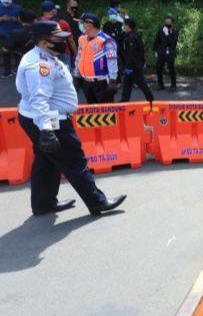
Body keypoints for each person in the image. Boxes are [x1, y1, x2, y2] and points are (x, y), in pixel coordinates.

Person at [15, 21, 126, 216]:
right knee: (74, 160)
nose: (64, 41)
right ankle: (97, 202)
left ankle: (43, 203)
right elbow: (39, 99)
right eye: (58, 38)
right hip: (50, 120)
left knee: (46, 160)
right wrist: (46, 131)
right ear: (44, 42)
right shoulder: (40, 65)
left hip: (40, 118)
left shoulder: (43, 55)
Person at [75, 13, 119, 104]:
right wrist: (77, 75)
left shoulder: (106, 40)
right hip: (86, 82)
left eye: (83, 24)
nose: (82, 26)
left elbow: (112, 61)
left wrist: (113, 80)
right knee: (91, 112)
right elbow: (79, 57)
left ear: (90, 25)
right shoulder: (82, 39)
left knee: (105, 113)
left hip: (101, 83)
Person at [119, 18, 154, 102]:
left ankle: (151, 101)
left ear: (128, 26)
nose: (123, 27)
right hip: (130, 67)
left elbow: (133, 54)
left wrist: (130, 67)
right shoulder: (129, 36)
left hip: (134, 67)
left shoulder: (132, 38)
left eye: (124, 25)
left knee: (142, 85)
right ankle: (124, 102)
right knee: (126, 86)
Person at [154, 16, 179, 92]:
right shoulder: (161, 31)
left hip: (170, 53)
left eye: (169, 22)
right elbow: (157, 41)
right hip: (161, 52)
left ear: (172, 23)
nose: (167, 23)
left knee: (171, 69)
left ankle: (173, 86)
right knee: (159, 68)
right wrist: (155, 51)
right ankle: (160, 85)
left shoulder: (175, 32)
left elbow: (173, 43)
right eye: (166, 22)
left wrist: (167, 34)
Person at [55, 0, 81, 70]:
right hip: (67, 48)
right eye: (73, 7)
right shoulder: (62, 16)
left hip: (76, 45)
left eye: (76, 7)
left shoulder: (76, 16)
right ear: (68, 6)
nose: (74, 9)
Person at [0, 0, 21, 78]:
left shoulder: (17, 7)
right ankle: (7, 71)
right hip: (4, 33)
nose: (7, 4)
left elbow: (23, 19)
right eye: (5, 2)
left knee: (17, 50)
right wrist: (1, 18)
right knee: (6, 51)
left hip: (16, 32)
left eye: (9, 2)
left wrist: (15, 19)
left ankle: (18, 69)